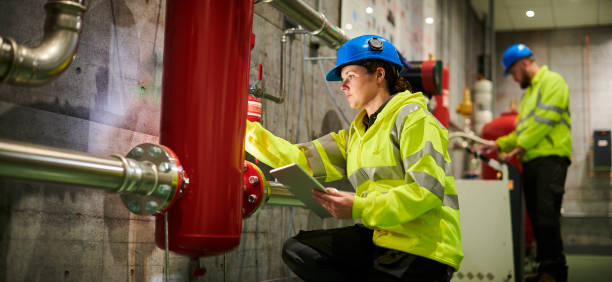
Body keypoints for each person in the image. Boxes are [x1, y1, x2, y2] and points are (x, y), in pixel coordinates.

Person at [245, 35, 462, 281]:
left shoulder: (416, 120)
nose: (342, 86)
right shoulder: (357, 134)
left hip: (424, 249)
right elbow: (299, 158)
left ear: (379, 75)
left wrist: (359, 206)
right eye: (342, 79)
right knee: (300, 251)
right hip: (381, 238)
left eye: (350, 76)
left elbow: (427, 192)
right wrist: (246, 131)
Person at [482, 43, 571, 282]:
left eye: (512, 73)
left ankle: (554, 272)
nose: (513, 78)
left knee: (546, 215)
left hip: (551, 159)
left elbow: (545, 121)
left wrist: (519, 147)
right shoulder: (529, 94)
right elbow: (522, 130)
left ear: (522, 64)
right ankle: (545, 269)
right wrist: (500, 145)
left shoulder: (553, 82)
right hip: (532, 160)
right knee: (537, 217)